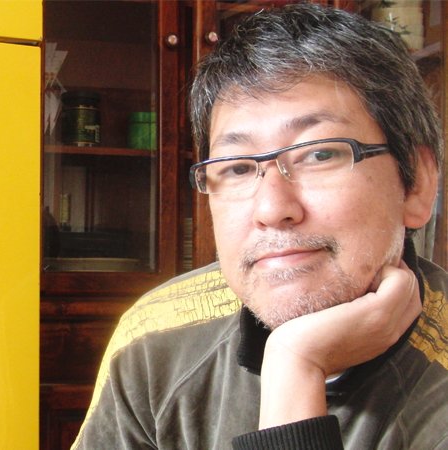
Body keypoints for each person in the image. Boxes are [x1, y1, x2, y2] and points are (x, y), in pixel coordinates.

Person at [72, 3, 447, 449]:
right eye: (236, 168)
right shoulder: (157, 340)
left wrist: (296, 366)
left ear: (417, 184)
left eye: (319, 154)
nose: (272, 208)